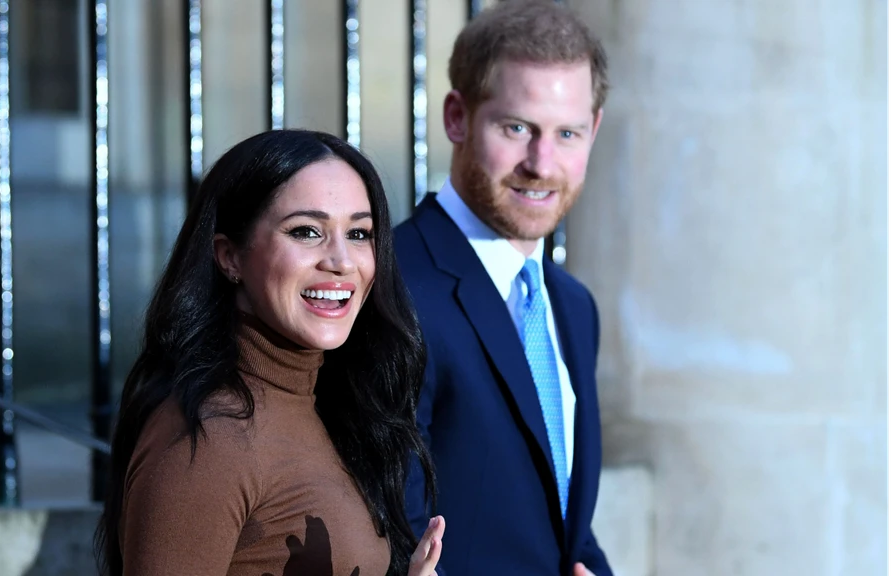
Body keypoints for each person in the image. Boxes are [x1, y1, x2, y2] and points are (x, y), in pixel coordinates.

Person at [94, 129, 445, 576]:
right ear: (229, 257)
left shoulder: (329, 407)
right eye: (306, 231)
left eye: (359, 233)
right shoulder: (207, 439)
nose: (340, 260)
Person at [396, 2, 613, 575]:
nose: (542, 163)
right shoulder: (393, 285)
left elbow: (560, 519)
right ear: (457, 118)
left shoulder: (572, 307)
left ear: (593, 130)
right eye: (516, 128)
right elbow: (390, 527)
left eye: (567, 133)